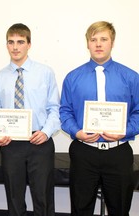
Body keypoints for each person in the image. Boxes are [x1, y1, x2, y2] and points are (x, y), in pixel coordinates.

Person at [60, 21, 139, 216]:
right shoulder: (73, 77)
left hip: (118, 153)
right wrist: (77, 132)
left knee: (119, 209)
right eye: (93, 39)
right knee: (81, 209)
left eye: (103, 39)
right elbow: (65, 112)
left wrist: (125, 131)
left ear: (112, 43)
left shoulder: (130, 77)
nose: (98, 44)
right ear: (87, 43)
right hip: (84, 152)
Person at [0, 23, 61, 216]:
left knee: (43, 197)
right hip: (11, 144)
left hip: (39, 141)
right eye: (11, 42)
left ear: (29, 44)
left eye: (20, 42)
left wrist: (45, 132)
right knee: (14, 197)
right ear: (6, 45)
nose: (15, 47)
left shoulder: (45, 73)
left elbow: (55, 109)